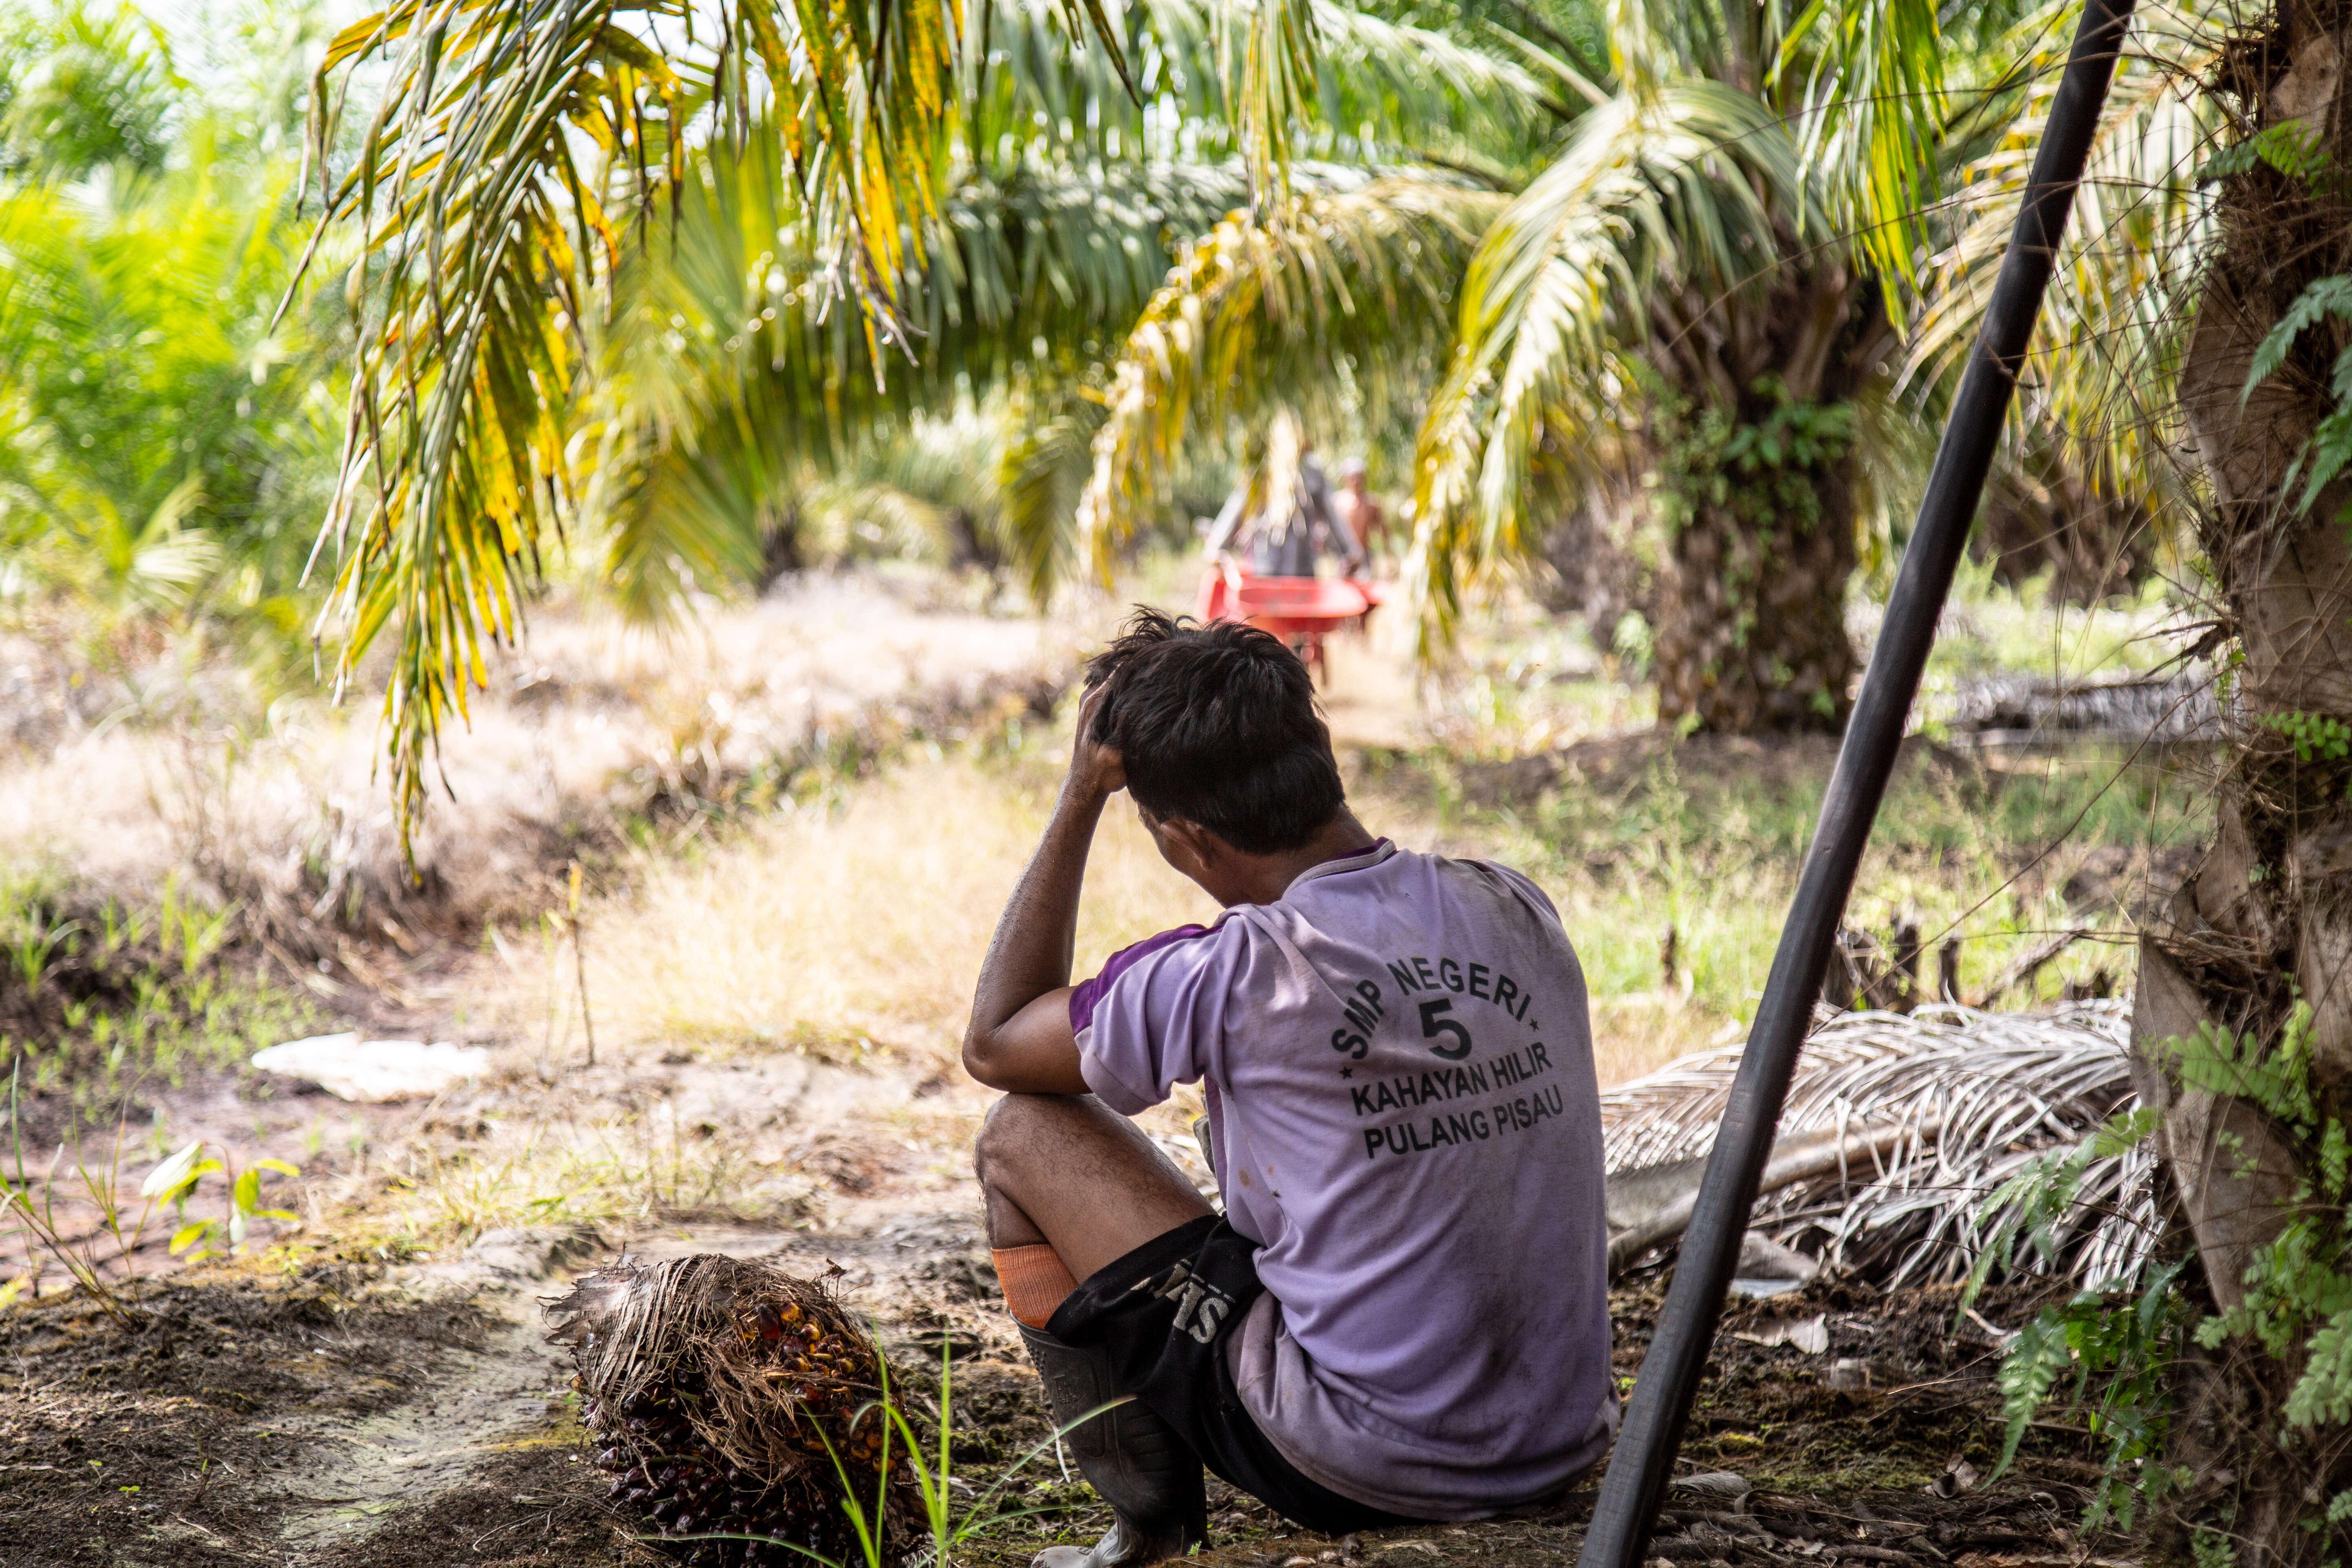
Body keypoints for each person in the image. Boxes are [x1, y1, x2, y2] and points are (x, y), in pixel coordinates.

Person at [963, 610, 1616, 1568]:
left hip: (1355, 1460)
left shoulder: (1227, 971)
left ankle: (1140, 1525)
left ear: (1187, 842)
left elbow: (994, 1037)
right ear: (1317, 758)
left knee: (1018, 1135)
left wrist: (1079, 795)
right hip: (1563, 1442)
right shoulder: (1509, 901)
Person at [1202, 434, 1366, 579]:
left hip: (1303, 567)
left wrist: (1350, 553)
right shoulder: (1265, 465)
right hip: (1266, 566)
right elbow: (1238, 504)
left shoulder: (1312, 469)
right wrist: (1216, 547)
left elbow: (1333, 515)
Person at [1333, 457, 1384, 568]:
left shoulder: (1372, 503)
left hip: (1364, 557)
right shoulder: (1337, 503)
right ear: (1346, 479)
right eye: (1353, 478)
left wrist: (1389, 557)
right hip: (1343, 557)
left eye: (1359, 477)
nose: (1356, 482)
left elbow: (1384, 531)